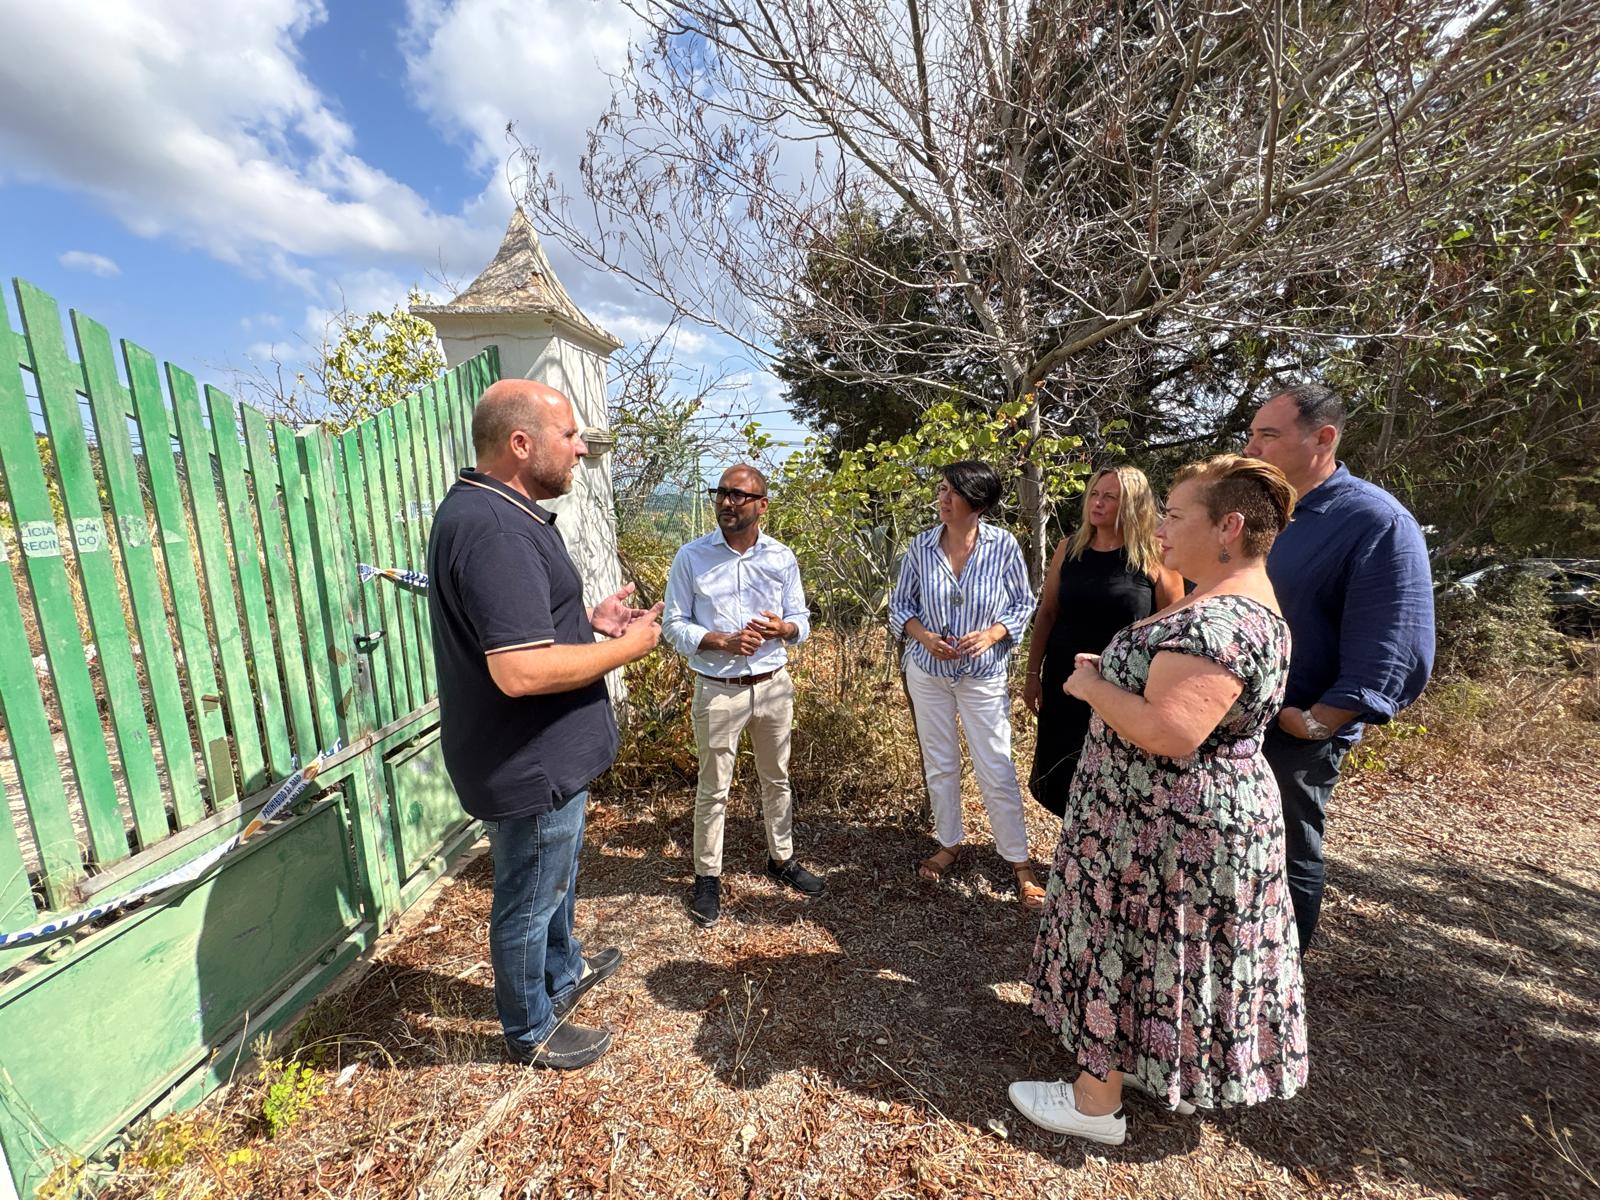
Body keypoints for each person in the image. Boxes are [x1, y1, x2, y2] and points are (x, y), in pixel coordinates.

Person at [1011, 454, 1307, 1146]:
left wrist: (1091, 689)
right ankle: (1130, 1063)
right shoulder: (1239, 600)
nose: (1164, 527)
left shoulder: (1220, 618)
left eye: (1177, 515)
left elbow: (1170, 730)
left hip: (1160, 828)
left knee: (1124, 940)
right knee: (1155, 951)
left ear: (1228, 526)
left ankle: (1093, 1101)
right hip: (1175, 820)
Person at [427, 378, 663, 1069]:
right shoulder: (494, 528)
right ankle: (530, 1028)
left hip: (547, 755)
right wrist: (628, 648)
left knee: (554, 882)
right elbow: (519, 673)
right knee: (530, 896)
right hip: (526, 761)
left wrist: (588, 624)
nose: (582, 448)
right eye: (569, 436)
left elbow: (517, 633)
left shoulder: (503, 512)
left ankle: (564, 974)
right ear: (520, 443)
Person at [1244, 383, 1434, 951]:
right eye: (1251, 433)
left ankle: (1281, 975)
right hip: (1227, 723)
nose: (1252, 447)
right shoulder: (1260, 511)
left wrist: (1318, 721)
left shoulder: (1374, 521)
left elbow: (1397, 647)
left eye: (1268, 435)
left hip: (1290, 733)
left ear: (1323, 438)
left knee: (1285, 850)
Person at [662, 464, 825, 928]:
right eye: (721, 493)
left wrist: (784, 629)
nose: (727, 502)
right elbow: (673, 624)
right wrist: (722, 641)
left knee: (776, 778)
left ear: (761, 505)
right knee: (714, 787)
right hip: (718, 690)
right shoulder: (691, 557)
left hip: (773, 686)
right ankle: (707, 876)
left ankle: (782, 860)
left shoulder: (781, 558)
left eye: (738, 495)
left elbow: (802, 620)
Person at [887, 460, 1043, 911]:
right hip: (928, 673)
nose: (943, 499)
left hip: (983, 675)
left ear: (977, 502)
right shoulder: (921, 546)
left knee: (995, 765)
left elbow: (1022, 602)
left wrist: (993, 634)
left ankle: (1019, 862)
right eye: (941, 490)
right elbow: (901, 606)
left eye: (952, 493)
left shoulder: (1003, 546)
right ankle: (949, 842)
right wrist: (924, 637)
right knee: (940, 763)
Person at [1025, 466, 1184, 817]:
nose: (1097, 503)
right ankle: (1073, 854)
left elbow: (1174, 629)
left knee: (1114, 780)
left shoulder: (1155, 557)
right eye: (1095, 494)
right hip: (1065, 682)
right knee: (1062, 772)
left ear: (1132, 505)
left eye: (1109, 497)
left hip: (1123, 690)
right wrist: (1033, 674)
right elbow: (1048, 613)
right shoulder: (1069, 549)